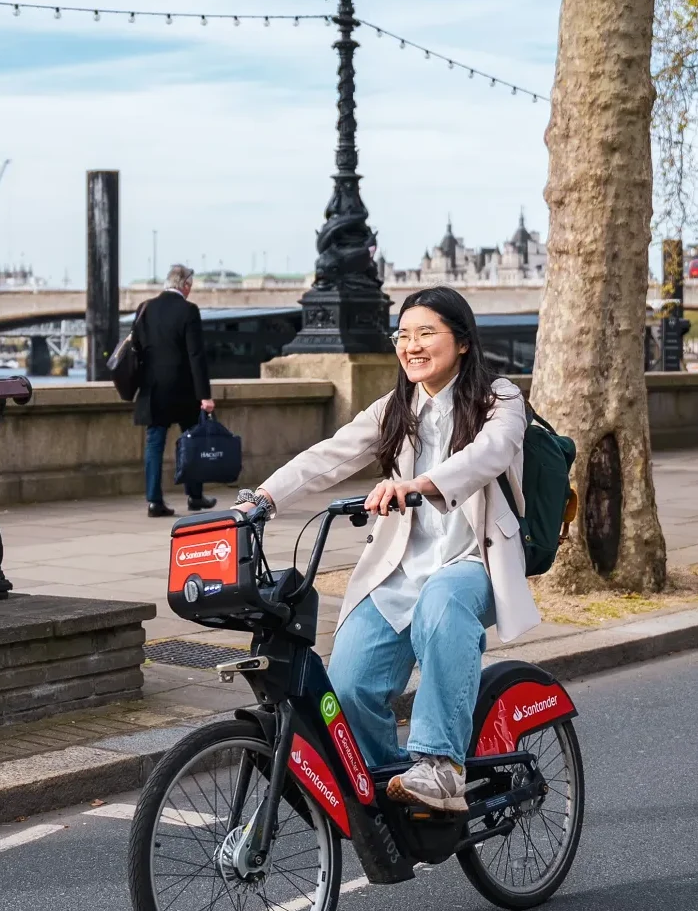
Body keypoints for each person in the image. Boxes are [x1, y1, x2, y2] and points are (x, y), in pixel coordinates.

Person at [233, 286, 540, 813]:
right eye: (403, 335)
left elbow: (488, 456)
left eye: (426, 333)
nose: (411, 345)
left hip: (474, 563)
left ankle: (440, 766)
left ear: (462, 341)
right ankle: (394, 793)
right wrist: (262, 499)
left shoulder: (501, 399)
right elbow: (328, 457)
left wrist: (418, 485)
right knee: (347, 689)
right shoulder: (394, 409)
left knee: (443, 602)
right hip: (398, 572)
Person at [132, 263, 217, 517]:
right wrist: (205, 395)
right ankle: (194, 495)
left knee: (154, 444)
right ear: (186, 285)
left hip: (153, 389)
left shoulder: (145, 308)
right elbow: (196, 355)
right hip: (183, 389)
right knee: (191, 442)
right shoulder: (188, 311)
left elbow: (137, 347)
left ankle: (154, 501)